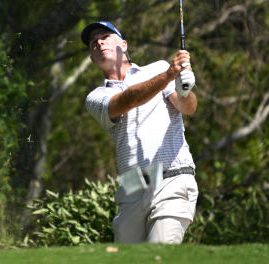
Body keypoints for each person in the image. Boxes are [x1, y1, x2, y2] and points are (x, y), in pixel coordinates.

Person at [81, 20, 199, 244]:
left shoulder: (157, 68)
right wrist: (168, 76)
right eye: (93, 43)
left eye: (105, 37)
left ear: (123, 45)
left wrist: (185, 88)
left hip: (172, 178)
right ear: (91, 59)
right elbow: (125, 101)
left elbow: (188, 108)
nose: (98, 43)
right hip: (132, 187)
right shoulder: (95, 97)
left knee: (160, 252)